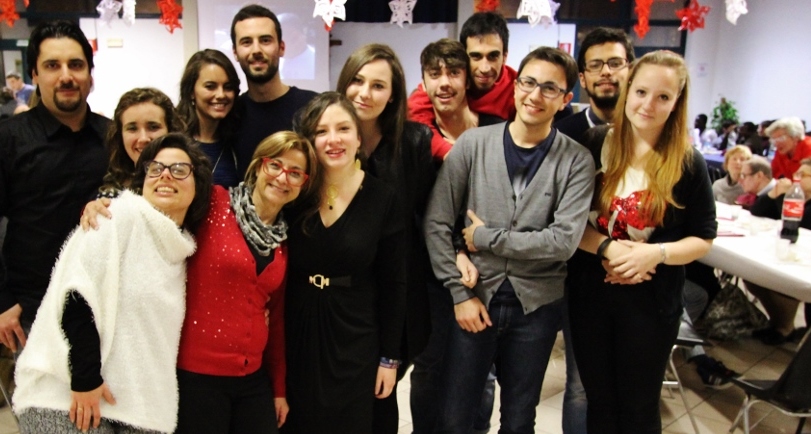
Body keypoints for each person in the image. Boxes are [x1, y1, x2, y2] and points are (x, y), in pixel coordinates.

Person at [424, 46, 594, 434]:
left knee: (518, 418)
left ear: (565, 99)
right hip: (474, 298)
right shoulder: (473, 144)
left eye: (549, 88)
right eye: (528, 83)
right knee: (454, 416)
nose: (535, 95)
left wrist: (485, 237)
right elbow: (436, 221)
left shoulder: (576, 161)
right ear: (515, 86)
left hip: (536, 307)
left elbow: (563, 242)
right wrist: (459, 293)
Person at [13, 133, 212, 434]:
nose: (165, 175)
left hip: (135, 406)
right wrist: (85, 379)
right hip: (69, 393)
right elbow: (76, 294)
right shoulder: (117, 215)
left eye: (179, 169)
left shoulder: (181, 249)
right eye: (155, 168)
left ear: (199, 185)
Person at [567, 50, 716, 434]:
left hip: (651, 301)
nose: (648, 105)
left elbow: (703, 238)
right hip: (591, 295)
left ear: (677, 102)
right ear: (628, 90)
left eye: (663, 97)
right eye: (641, 92)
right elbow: (568, 222)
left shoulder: (687, 162)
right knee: (600, 402)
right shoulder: (595, 143)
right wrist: (609, 249)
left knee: (638, 407)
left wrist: (655, 254)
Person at [175, 131, 319, 433]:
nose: (283, 178)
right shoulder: (214, 201)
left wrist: (278, 389)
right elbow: (158, 210)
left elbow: (275, 320)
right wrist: (103, 206)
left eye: (295, 173)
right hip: (198, 377)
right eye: (275, 165)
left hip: (252, 378)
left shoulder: (282, 242)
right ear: (257, 166)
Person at [283, 92, 406, 433]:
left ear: (358, 137)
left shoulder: (383, 198)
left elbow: (395, 284)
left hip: (356, 334)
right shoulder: (295, 193)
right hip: (299, 328)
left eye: (343, 129)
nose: (333, 139)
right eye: (321, 131)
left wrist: (389, 358)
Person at [334, 44, 434, 433]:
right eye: (357, 81)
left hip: (395, 290)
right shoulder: (324, 136)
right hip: (341, 291)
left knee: (381, 395)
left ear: (393, 95)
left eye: (378, 85)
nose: (365, 93)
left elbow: (426, 214)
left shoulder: (414, 141)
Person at [409, 37, 502, 434]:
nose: (444, 82)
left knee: (482, 369)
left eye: (453, 73)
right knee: (430, 365)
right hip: (430, 270)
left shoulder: (496, 129)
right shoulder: (415, 137)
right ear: (424, 82)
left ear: (467, 79)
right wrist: (454, 250)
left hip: (488, 270)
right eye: (434, 74)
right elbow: (417, 210)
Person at [0, 20, 110, 354]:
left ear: (90, 74)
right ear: (34, 74)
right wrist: (3, 302)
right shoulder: (9, 139)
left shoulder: (113, 137)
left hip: (104, 308)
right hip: (31, 312)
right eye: (52, 66)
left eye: (76, 65)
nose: (66, 76)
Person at [408, 12, 518, 161]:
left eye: (493, 56)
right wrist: (450, 154)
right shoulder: (442, 88)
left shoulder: (517, 90)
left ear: (504, 56)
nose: (484, 68)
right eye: (476, 56)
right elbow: (414, 116)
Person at [230, 4, 317, 176]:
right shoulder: (230, 115)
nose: (256, 50)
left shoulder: (313, 108)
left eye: (265, 40)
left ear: (281, 47)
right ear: (235, 52)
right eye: (246, 42)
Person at [745, 158, 811, 345]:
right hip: (787, 253)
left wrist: (785, 198)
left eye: (803, 175)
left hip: (803, 263)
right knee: (753, 276)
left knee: (779, 281)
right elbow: (757, 211)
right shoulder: (797, 197)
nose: (796, 177)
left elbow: (798, 225)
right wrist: (774, 193)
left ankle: (785, 328)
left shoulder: (801, 201)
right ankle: (780, 324)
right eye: (797, 173)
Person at [555, 27, 635, 148]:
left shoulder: (648, 133)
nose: (606, 71)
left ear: (631, 72)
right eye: (595, 65)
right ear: (582, 79)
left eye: (615, 64)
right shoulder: (560, 136)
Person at [99, 88, 185, 196]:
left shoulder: (192, 186)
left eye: (153, 127)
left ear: (171, 130)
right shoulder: (109, 193)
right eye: (132, 129)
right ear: (120, 136)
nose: (143, 138)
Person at [177, 49, 241, 187]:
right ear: (191, 91)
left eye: (228, 87)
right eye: (210, 87)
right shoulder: (174, 140)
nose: (221, 95)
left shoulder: (237, 141)